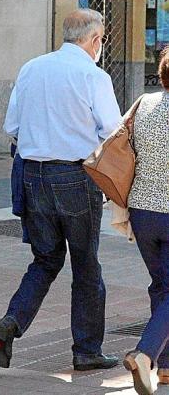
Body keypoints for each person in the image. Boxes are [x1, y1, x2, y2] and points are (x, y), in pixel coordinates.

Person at [0, 9, 121, 371]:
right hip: (75, 177)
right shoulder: (93, 75)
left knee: (45, 260)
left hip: (33, 176)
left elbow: (11, 125)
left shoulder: (31, 67)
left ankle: (11, 323)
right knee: (86, 265)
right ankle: (87, 350)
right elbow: (112, 132)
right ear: (95, 40)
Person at [121, 48, 169, 395]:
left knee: (162, 286)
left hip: (142, 214)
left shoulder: (144, 103)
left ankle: (165, 368)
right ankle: (146, 354)